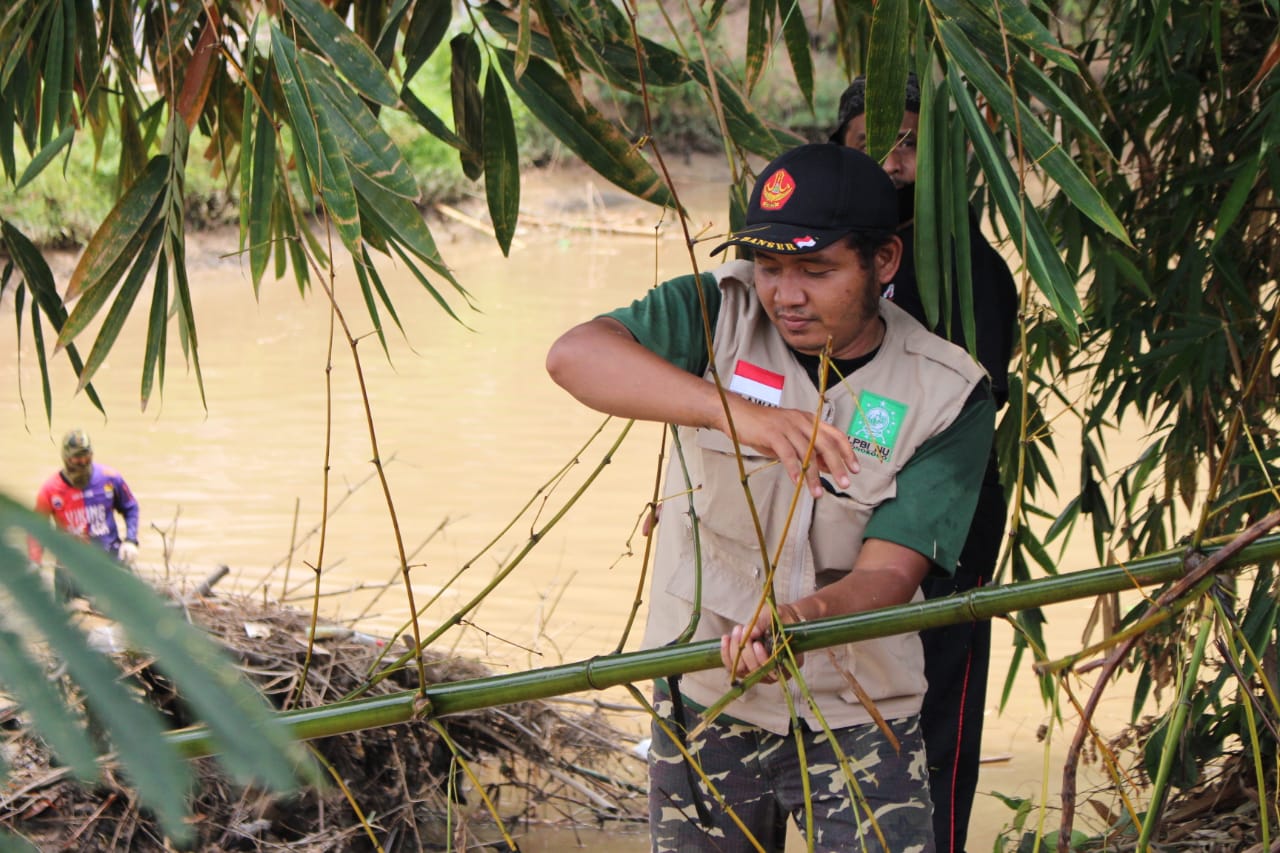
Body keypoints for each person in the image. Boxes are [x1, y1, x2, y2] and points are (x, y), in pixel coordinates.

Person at [547, 143, 995, 852]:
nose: (786, 294)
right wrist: (737, 414)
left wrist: (800, 618)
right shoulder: (715, 313)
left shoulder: (947, 392)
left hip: (862, 712)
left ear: (883, 263)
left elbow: (891, 571)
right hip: (705, 695)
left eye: (816, 270)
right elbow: (573, 357)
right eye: (772, 267)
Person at [831, 74, 1019, 853]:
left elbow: (940, 414)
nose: (891, 160)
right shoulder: (814, 264)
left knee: (930, 732)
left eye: (909, 143)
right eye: (871, 143)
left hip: (938, 544)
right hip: (829, 539)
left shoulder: (969, 273)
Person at [29, 429, 141, 601]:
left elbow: (131, 507)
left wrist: (131, 540)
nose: (82, 462)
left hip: (109, 561)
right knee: (64, 622)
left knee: (129, 611)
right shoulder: (50, 490)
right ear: (66, 458)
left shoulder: (110, 478)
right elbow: (36, 530)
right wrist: (34, 563)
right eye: (76, 458)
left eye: (86, 457)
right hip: (70, 569)